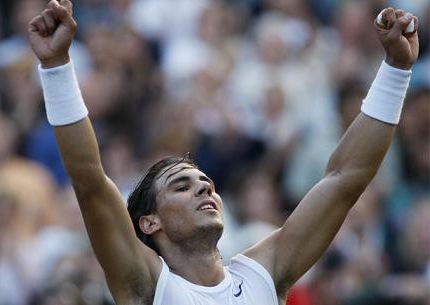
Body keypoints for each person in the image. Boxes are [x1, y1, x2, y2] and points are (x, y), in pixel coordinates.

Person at [28, 1, 419, 304]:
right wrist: (57, 66)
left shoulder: (264, 272)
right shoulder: (146, 286)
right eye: (181, 186)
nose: (204, 189)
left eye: (205, 183)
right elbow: (90, 181)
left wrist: (397, 70)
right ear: (149, 223)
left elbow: (343, 180)